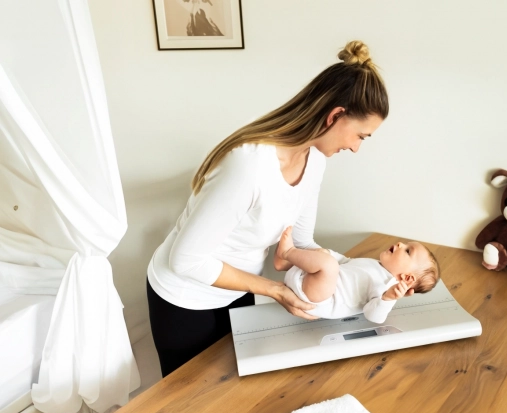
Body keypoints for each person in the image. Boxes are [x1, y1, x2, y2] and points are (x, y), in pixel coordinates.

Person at [146, 40, 389, 376]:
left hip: (240, 287)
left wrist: (351, 278)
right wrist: (274, 289)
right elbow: (186, 260)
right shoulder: (249, 165)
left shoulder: (314, 159)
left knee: (233, 393)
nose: (357, 148)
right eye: (361, 136)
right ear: (335, 116)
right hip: (185, 297)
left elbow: (301, 241)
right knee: (187, 410)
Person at [275, 226, 441, 323]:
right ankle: (285, 263)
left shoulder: (386, 287)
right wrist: (328, 253)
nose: (400, 243)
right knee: (326, 258)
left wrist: (388, 300)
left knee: (328, 265)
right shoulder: (376, 265)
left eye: (407, 250)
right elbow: (347, 262)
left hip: (320, 299)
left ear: (407, 278)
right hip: (310, 280)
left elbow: (373, 316)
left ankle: (288, 252)